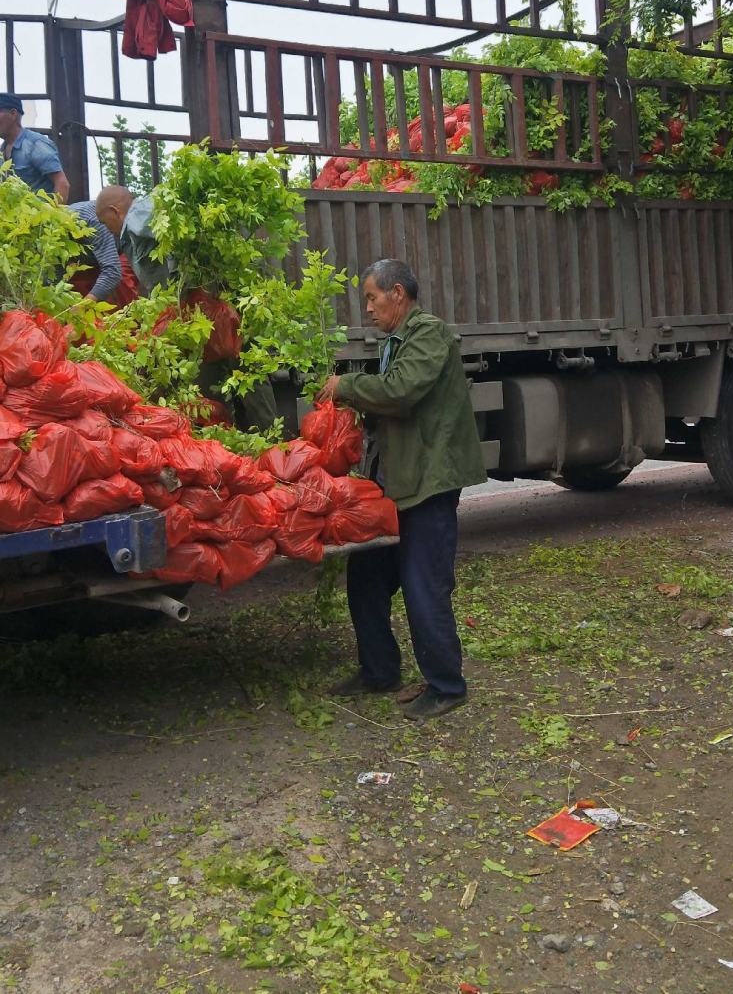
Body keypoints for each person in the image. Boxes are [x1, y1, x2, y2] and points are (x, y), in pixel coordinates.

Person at [318, 258, 487, 722]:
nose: (367, 309)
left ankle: (447, 686)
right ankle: (379, 671)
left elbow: (401, 390)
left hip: (428, 481)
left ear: (398, 293)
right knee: (367, 577)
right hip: (396, 482)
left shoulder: (428, 332)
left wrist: (347, 386)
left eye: (372, 298)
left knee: (423, 584)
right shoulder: (396, 340)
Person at [95, 183, 277, 430]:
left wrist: (185, 283)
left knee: (242, 367)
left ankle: (265, 441)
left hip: (207, 307)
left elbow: (180, 234)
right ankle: (247, 439)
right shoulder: (135, 232)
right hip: (200, 311)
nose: (109, 231)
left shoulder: (138, 216)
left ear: (115, 211)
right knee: (227, 373)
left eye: (105, 223)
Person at [0, 92, 69, 201]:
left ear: (13, 113)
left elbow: (62, 184)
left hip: (41, 216)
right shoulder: (2, 151)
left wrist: (52, 215)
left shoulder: (35, 144)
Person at [68, 200, 124, 304]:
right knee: (78, 287)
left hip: (118, 251)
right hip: (88, 259)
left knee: (121, 291)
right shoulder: (47, 238)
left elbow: (113, 271)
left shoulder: (92, 223)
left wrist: (82, 306)